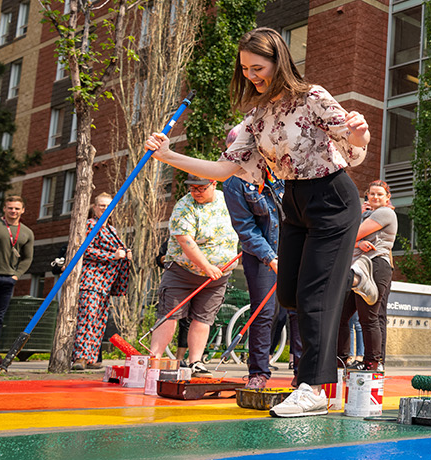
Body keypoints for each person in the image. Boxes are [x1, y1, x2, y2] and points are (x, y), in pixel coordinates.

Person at [143, 27, 371, 417]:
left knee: (314, 297)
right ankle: (351, 276)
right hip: (293, 201)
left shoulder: (312, 97)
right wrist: (167, 156)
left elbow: (354, 145)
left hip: (332, 196)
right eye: (246, 69)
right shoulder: (257, 116)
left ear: (278, 62)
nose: (251, 76)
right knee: (290, 295)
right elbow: (222, 168)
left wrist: (360, 133)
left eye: (258, 68)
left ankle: (314, 388)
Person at [148, 175, 238, 379]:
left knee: (203, 318)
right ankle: (155, 359)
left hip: (218, 277)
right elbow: (185, 241)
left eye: (201, 188)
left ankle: (195, 362)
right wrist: (206, 266)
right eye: (193, 188)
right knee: (169, 314)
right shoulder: (184, 206)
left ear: (214, 184)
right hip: (183, 271)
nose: (196, 192)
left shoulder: (228, 200)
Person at [219, 141, 292, 388]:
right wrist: (271, 258)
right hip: (261, 253)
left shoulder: (282, 170)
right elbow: (246, 228)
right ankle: (258, 372)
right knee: (264, 311)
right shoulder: (234, 182)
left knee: (297, 311)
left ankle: (304, 374)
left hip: (292, 247)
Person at [337, 180, 397, 371]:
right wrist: (357, 242)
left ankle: (372, 362)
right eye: (372, 194)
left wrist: (354, 236)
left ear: (387, 198)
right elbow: (350, 238)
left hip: (374, 265)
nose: (375, 197)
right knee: (340, 315)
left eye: (380, 194)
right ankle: (340, 359)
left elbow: (350, 235)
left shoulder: (385, 213)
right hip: (356, 267)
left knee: (368, 316)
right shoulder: (366, 215)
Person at [70, 193, 133, 370]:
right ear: (94, 207)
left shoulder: (112, 230)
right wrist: (113, 255)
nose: (105, 209)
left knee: (99, 320)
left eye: (108, 206)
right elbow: (85, 250)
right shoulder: (90, 225)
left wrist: (125, 255)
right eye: (102, 205)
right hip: (92, 279)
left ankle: (91, 358)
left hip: (106, 282)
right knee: (87, 318)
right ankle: (80, 357)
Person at [0, 195, 34, 365]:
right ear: (4, 209)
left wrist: (16, 275)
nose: (13, 211)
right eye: (10, 208)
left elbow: (27, 258)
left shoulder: (27, 232)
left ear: (23, 210)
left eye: (17, 208)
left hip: (8, 279)